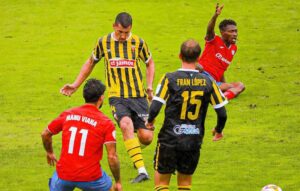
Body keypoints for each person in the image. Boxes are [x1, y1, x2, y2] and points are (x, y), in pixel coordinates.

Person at [60, 12, 154, 183]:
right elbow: (90, 62)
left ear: (131, 29)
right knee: (126, 125)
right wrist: (75, 85)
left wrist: (149, 86)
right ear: (114, 26)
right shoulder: (103, 42)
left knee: (146, 137)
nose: (123, 36)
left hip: (138, 95)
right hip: (116, 96)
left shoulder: (139, 43)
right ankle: (142, 171)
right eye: (120, 32)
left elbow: (149, 63)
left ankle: (136, 154)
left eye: (126, 33)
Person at [146, 39, 228, 191]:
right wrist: (218, 130)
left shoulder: (169, 78)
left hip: (169, 138)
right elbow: (222, 113)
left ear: (179, 56)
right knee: (184, 185)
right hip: (193, 139)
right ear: (198, 58)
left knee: (161, 184)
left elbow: (155, 106)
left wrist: (150, 121)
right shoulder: (208, 82)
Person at [41, 78, 122, 191]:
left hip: (65, 175)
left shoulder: (68, 114)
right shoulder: (106, 123)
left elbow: (45, 133)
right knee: (112, 188)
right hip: (92, 178)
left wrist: (49, 152)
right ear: (101, 97)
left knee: (56, 180)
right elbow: (112, 157)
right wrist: (118, 181)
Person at [198, 3, 245, 100]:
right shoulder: (214, 40)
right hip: (202, 77)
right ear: (222, 33)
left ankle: (220, 96)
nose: (235, 34)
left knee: (240, 85)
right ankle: (221, 99)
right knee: (231, 87)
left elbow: (221, 68)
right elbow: (209, 29)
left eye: (236, 31)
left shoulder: (233, 48)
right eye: (231, 31)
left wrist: (224, 84)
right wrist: (215, 16)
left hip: (215, 81)